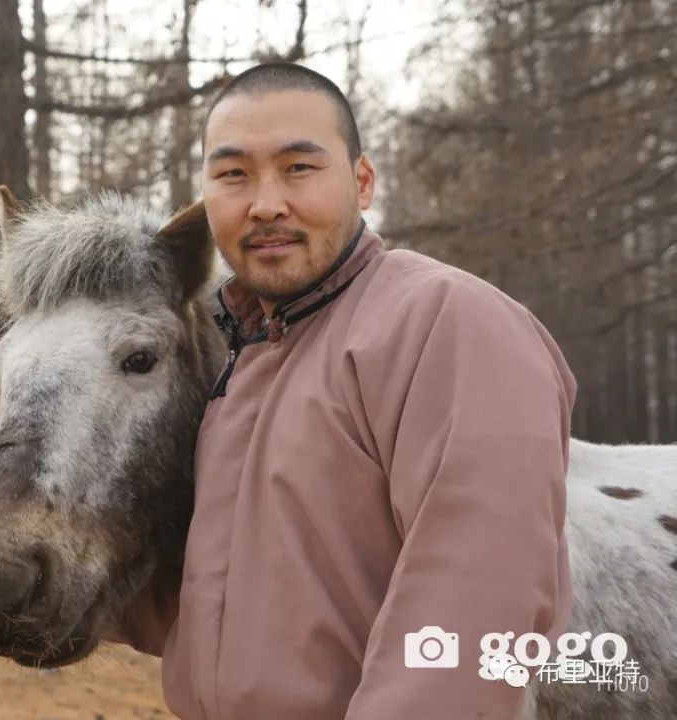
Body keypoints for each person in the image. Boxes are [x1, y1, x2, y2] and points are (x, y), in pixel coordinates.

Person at [108, 62, 577, 720]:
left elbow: (478, 606)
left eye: (299, 168)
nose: (265, 202)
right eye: (233, 174)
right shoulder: (241, 353)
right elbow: (240, 598)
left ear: (361, 181)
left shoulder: (442, 321)